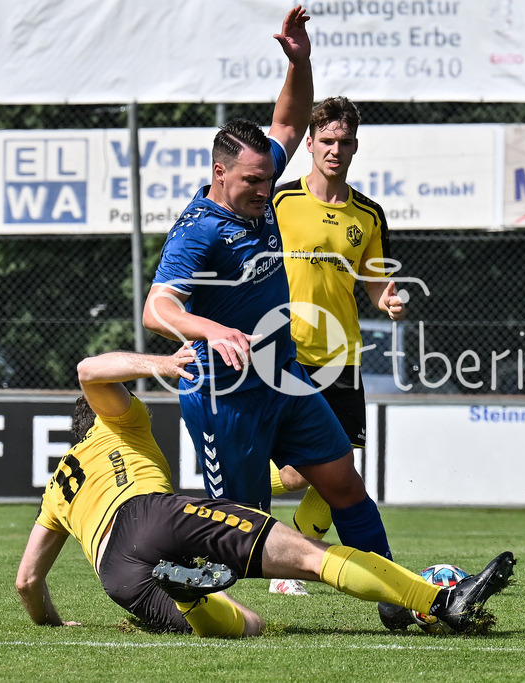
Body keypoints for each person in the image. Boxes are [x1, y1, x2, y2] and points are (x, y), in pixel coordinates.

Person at [141, 6, 412, 629]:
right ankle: (155, 580)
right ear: (220, 173)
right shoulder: (198, 232)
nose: (266, 191)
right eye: (253, 181)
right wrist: (213, 330)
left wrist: (299, 61)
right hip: (224, 392)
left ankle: (399, 599)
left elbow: (289, 119)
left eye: (269, 177)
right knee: (238, 533)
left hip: (284, 379)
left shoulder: (259, 182)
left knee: (343, 483)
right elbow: (158, 307)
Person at [14, 346, 516, 637]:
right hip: (151, 515)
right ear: (102, 411)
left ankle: (188, 597)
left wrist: (53, 626)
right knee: (311, 557)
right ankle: (440, 599)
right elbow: (88, 370)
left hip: (117, 574)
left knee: (248, 628)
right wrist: (160, 364)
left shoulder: (57, 488)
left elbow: (27, 583)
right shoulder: (121, 424)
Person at [267, 96, 406, 597]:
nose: (335, 149)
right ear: (309, 143)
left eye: (344, 142)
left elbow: (375, 281)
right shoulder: (279, 203)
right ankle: (232, 484)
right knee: (296, 476)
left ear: (354, 146)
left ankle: (290, 570)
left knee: (340, 470)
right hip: (284, 353)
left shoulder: (368, 214)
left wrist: (388, 299)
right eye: (326, 140)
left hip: (342, 356)